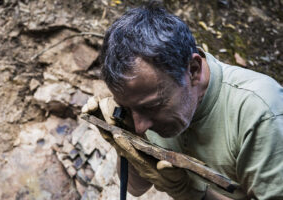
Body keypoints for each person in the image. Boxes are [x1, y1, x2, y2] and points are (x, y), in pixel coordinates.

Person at [82, 4, 283, 200]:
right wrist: (125, 143)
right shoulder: (146, 99)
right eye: (129, 108)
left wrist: (193, 194)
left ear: (193, 70)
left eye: (150, 107)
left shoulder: (261, 112)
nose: (140, 126)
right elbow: (136, 188)